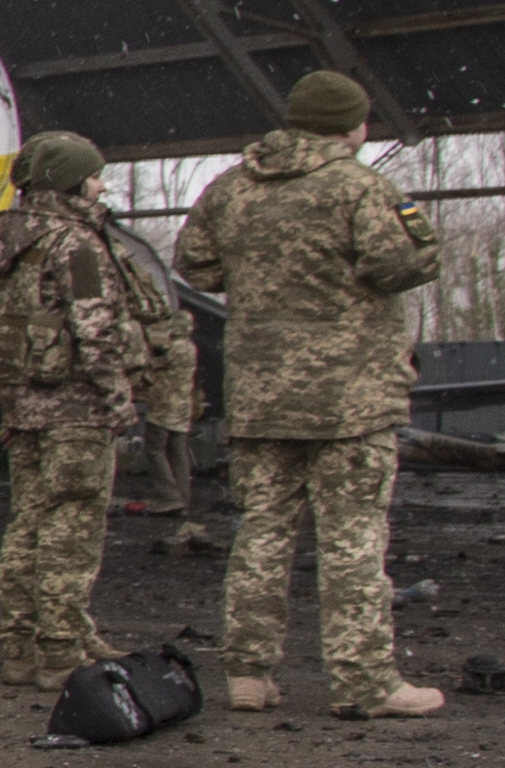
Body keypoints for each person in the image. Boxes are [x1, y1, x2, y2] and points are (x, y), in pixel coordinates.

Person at [173, 68, 445, 719]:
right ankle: (364, 683)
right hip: (349, 398)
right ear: (353, 126)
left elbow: (193, 262)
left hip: (261, 394)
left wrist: (262, 271)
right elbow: (405, 261)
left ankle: (248, 674)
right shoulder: (359, 187)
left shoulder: (232, 187)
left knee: (262, 532)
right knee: (352, 540)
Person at [0, 131, 189, 687]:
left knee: (29, 520)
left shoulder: (13, 237)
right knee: (71, 525)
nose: (100, 186)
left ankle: (21, 643)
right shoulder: (77, 244)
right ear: (71, 182)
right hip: (76, 405)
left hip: (25, 402)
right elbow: (94, 329)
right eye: (93, 176)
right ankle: (60, 650)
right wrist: (119, 398)